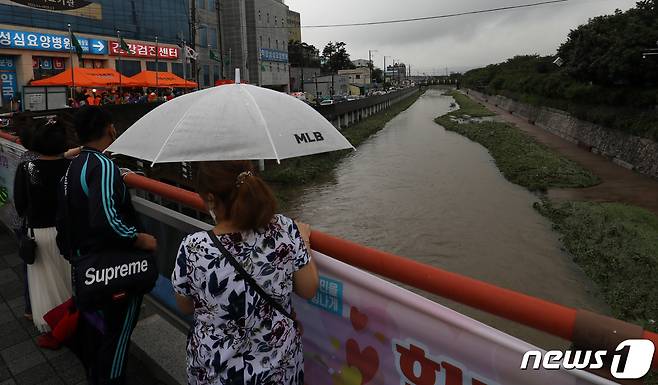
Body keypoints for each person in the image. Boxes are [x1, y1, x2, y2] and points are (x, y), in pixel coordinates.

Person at [172, 160, 319, 385]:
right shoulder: (284, 229)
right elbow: (308, 289)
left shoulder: (193, 246)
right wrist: (304, 241)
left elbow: (184, 306)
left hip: (216, 372)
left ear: (211, 199)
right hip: (279, 370)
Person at [56, 106, 157, 385]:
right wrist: (139, 238)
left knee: (99, 336)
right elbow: (107, 219)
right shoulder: (101, 165)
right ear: (110, 128)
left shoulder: (73, 167)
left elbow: (64, 219)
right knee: (116, 337)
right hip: (111, 269)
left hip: (87, 265)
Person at [14, 117, 73, 333]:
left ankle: (50, 324)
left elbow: (20, 204)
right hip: (67, 231)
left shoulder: (28, 168)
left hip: (38, 232)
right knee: (68, 278)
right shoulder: (70, 166)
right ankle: (70, 322)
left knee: (43, 282)